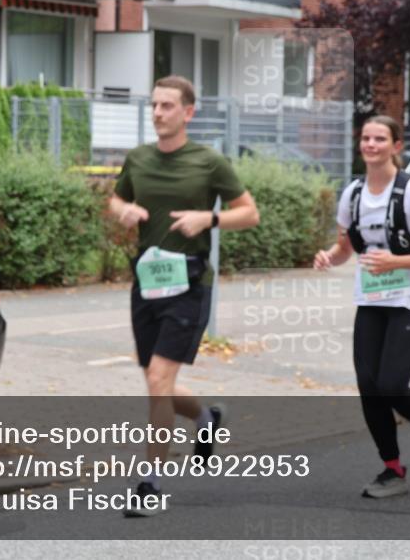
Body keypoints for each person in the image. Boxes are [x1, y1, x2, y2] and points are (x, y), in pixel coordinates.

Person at [109, 75, 260, 516]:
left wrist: (207, 219)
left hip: (190, 284)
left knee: (159, 379)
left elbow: (249, 213)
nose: (157, 113)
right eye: (154, 105)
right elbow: (113, 202)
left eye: (167, 106)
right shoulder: (138, 159)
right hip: (147, 282)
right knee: (158, 381)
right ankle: (206, 418)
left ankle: (150, 484)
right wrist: (124, 210)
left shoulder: (209, 162)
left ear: (188, 112)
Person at [313, 115, 410, 497]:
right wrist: (328, 256)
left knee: (391, 385)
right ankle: (392, 469)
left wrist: (396, 261)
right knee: (369, 387)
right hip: (372, 299)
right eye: (366, 138)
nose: (371, 145)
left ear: (396, 146)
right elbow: (345, 249)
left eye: (379, 139)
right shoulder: (353, 194)